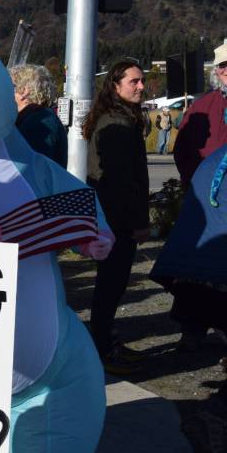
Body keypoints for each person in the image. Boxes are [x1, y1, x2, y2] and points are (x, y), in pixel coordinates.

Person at [84, 59, 151, 373]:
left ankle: (105, 342)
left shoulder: (121, 118)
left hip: (114, 217)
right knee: (111, 285)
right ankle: (102, 349)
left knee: (111, 285)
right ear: (115, 85)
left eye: (141, 81)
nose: (140, 86)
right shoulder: (116, 123)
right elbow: (123, 181)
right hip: (116, 219)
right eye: (133, 82)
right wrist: (137, 223)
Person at [151, 145, 227, 352]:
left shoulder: (214, 159)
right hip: (216, 255)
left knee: (196, 291)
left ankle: (191, 335)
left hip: (196, 251)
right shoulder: (216, 160)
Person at [174, 40, 227, 187]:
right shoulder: (202, 105)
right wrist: (195, 182)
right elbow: (182, 150)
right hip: (208, 189)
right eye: (222, 65)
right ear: (216, 70)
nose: (226, 70)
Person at [10, 64, 67, 167]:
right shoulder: (37, 116)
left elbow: (29, 167)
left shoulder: (39, 121)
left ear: (24, 91)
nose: (6, 91)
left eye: (11, 86)